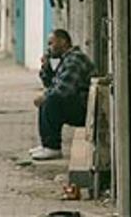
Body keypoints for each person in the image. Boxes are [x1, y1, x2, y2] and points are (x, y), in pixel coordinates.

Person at [29, 29, 95, 161]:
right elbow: (50, 84)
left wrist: (45, 97)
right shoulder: (65, 59)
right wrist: (46, 67)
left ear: (63, 42)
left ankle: (53, 148)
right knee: (47, 99)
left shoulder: (75, 59)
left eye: (51, 43)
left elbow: (64, 89)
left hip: (86, 108)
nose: (49, 47)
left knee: (51, 99)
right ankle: (46, 145)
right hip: (77, 104)